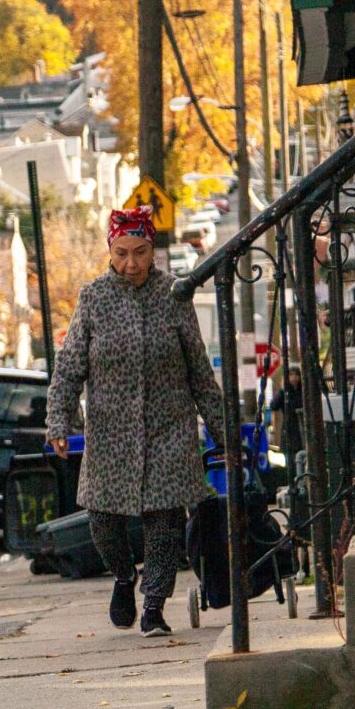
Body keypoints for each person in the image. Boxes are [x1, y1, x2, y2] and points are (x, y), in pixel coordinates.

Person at [45, 203, 226, 636]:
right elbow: (69, 366)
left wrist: (223, 433)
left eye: (140, 252)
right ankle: (125, 577)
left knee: (163, 523)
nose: (131, 263)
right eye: (122, 252)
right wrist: (59, 421)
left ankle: (154, 607)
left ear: (153, 250)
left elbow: (200, 373)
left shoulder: (174, 295)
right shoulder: (93, 298)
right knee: (103, 521)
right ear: (110, 249)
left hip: (170, 428)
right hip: (110, 431)